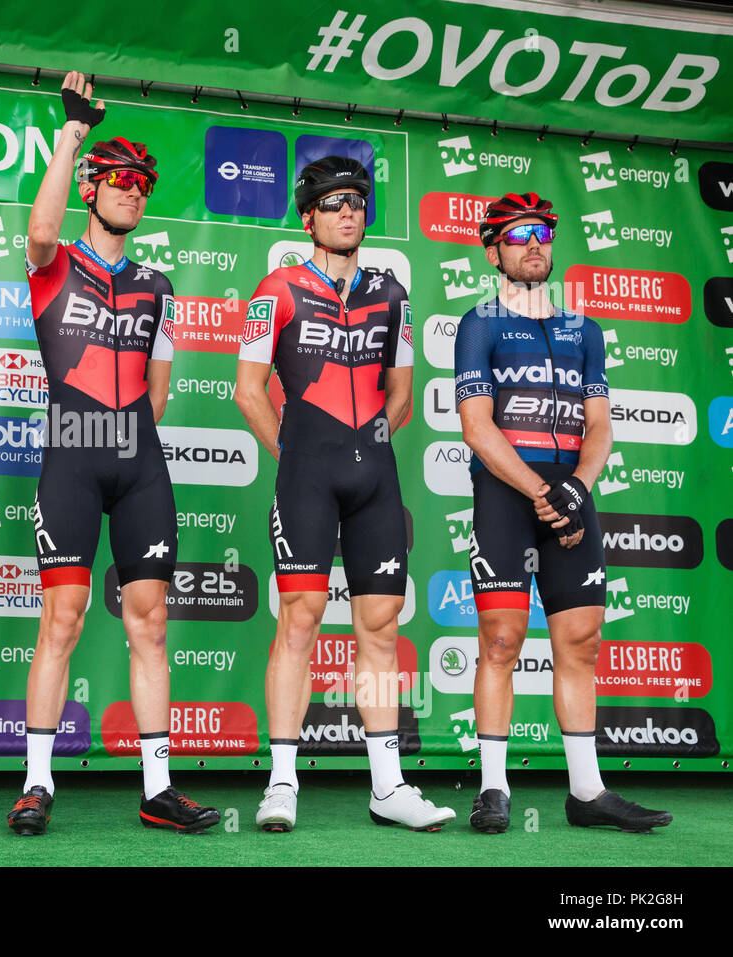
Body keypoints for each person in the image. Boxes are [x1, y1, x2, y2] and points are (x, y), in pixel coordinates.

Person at [6, 72, 218, 835]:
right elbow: (36, 231)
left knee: (150, 621)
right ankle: (37, 783)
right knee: (59, 620)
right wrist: (72, 136)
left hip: (137, 458)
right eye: (120, 179)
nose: (133, 191)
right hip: (71, 447)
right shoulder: (54, 262)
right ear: (92, 188)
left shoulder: (157, 283)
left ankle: (158, 786)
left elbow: (158, 389)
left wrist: (126, 436)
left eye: (143, 184)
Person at [236, 155, 455, 832]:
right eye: (332, 203)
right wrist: (296, 454)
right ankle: (281, 782)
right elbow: (248, 390)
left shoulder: (393, 293)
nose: (347, 212)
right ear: (308, 218)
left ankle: (387, 786)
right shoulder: (275, 289)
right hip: (306, 471)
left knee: (381, 628)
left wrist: (368, 445)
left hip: (375, 477)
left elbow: (404, 395)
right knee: (299, 619)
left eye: (356, 201)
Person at [456, 192, 671, 833]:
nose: (533, 245)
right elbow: (477, 426)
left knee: (581, 643)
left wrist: (576, 485)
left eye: (543, 234)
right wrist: (540, 491)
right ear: (493, 249)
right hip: (506, 495)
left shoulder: (587, 331)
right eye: (518, 235)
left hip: (572, 496)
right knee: (500, 642)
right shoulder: (481, 322)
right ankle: (493, 787)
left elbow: (599, 424)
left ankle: (586, 791)